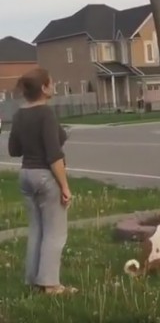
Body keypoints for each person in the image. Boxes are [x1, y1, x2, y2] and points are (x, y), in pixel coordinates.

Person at [7, 68, 76, 295]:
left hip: (26, 175)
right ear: (44, 88)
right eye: (52, 83)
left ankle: (33, 280)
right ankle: (50, 284)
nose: (54, 86)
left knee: (37, 229)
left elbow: (14, 150)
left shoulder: (19, 115)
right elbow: (54, 155)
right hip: (46, 176)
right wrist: (65, 186)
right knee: (55, 232)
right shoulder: (46, 114)